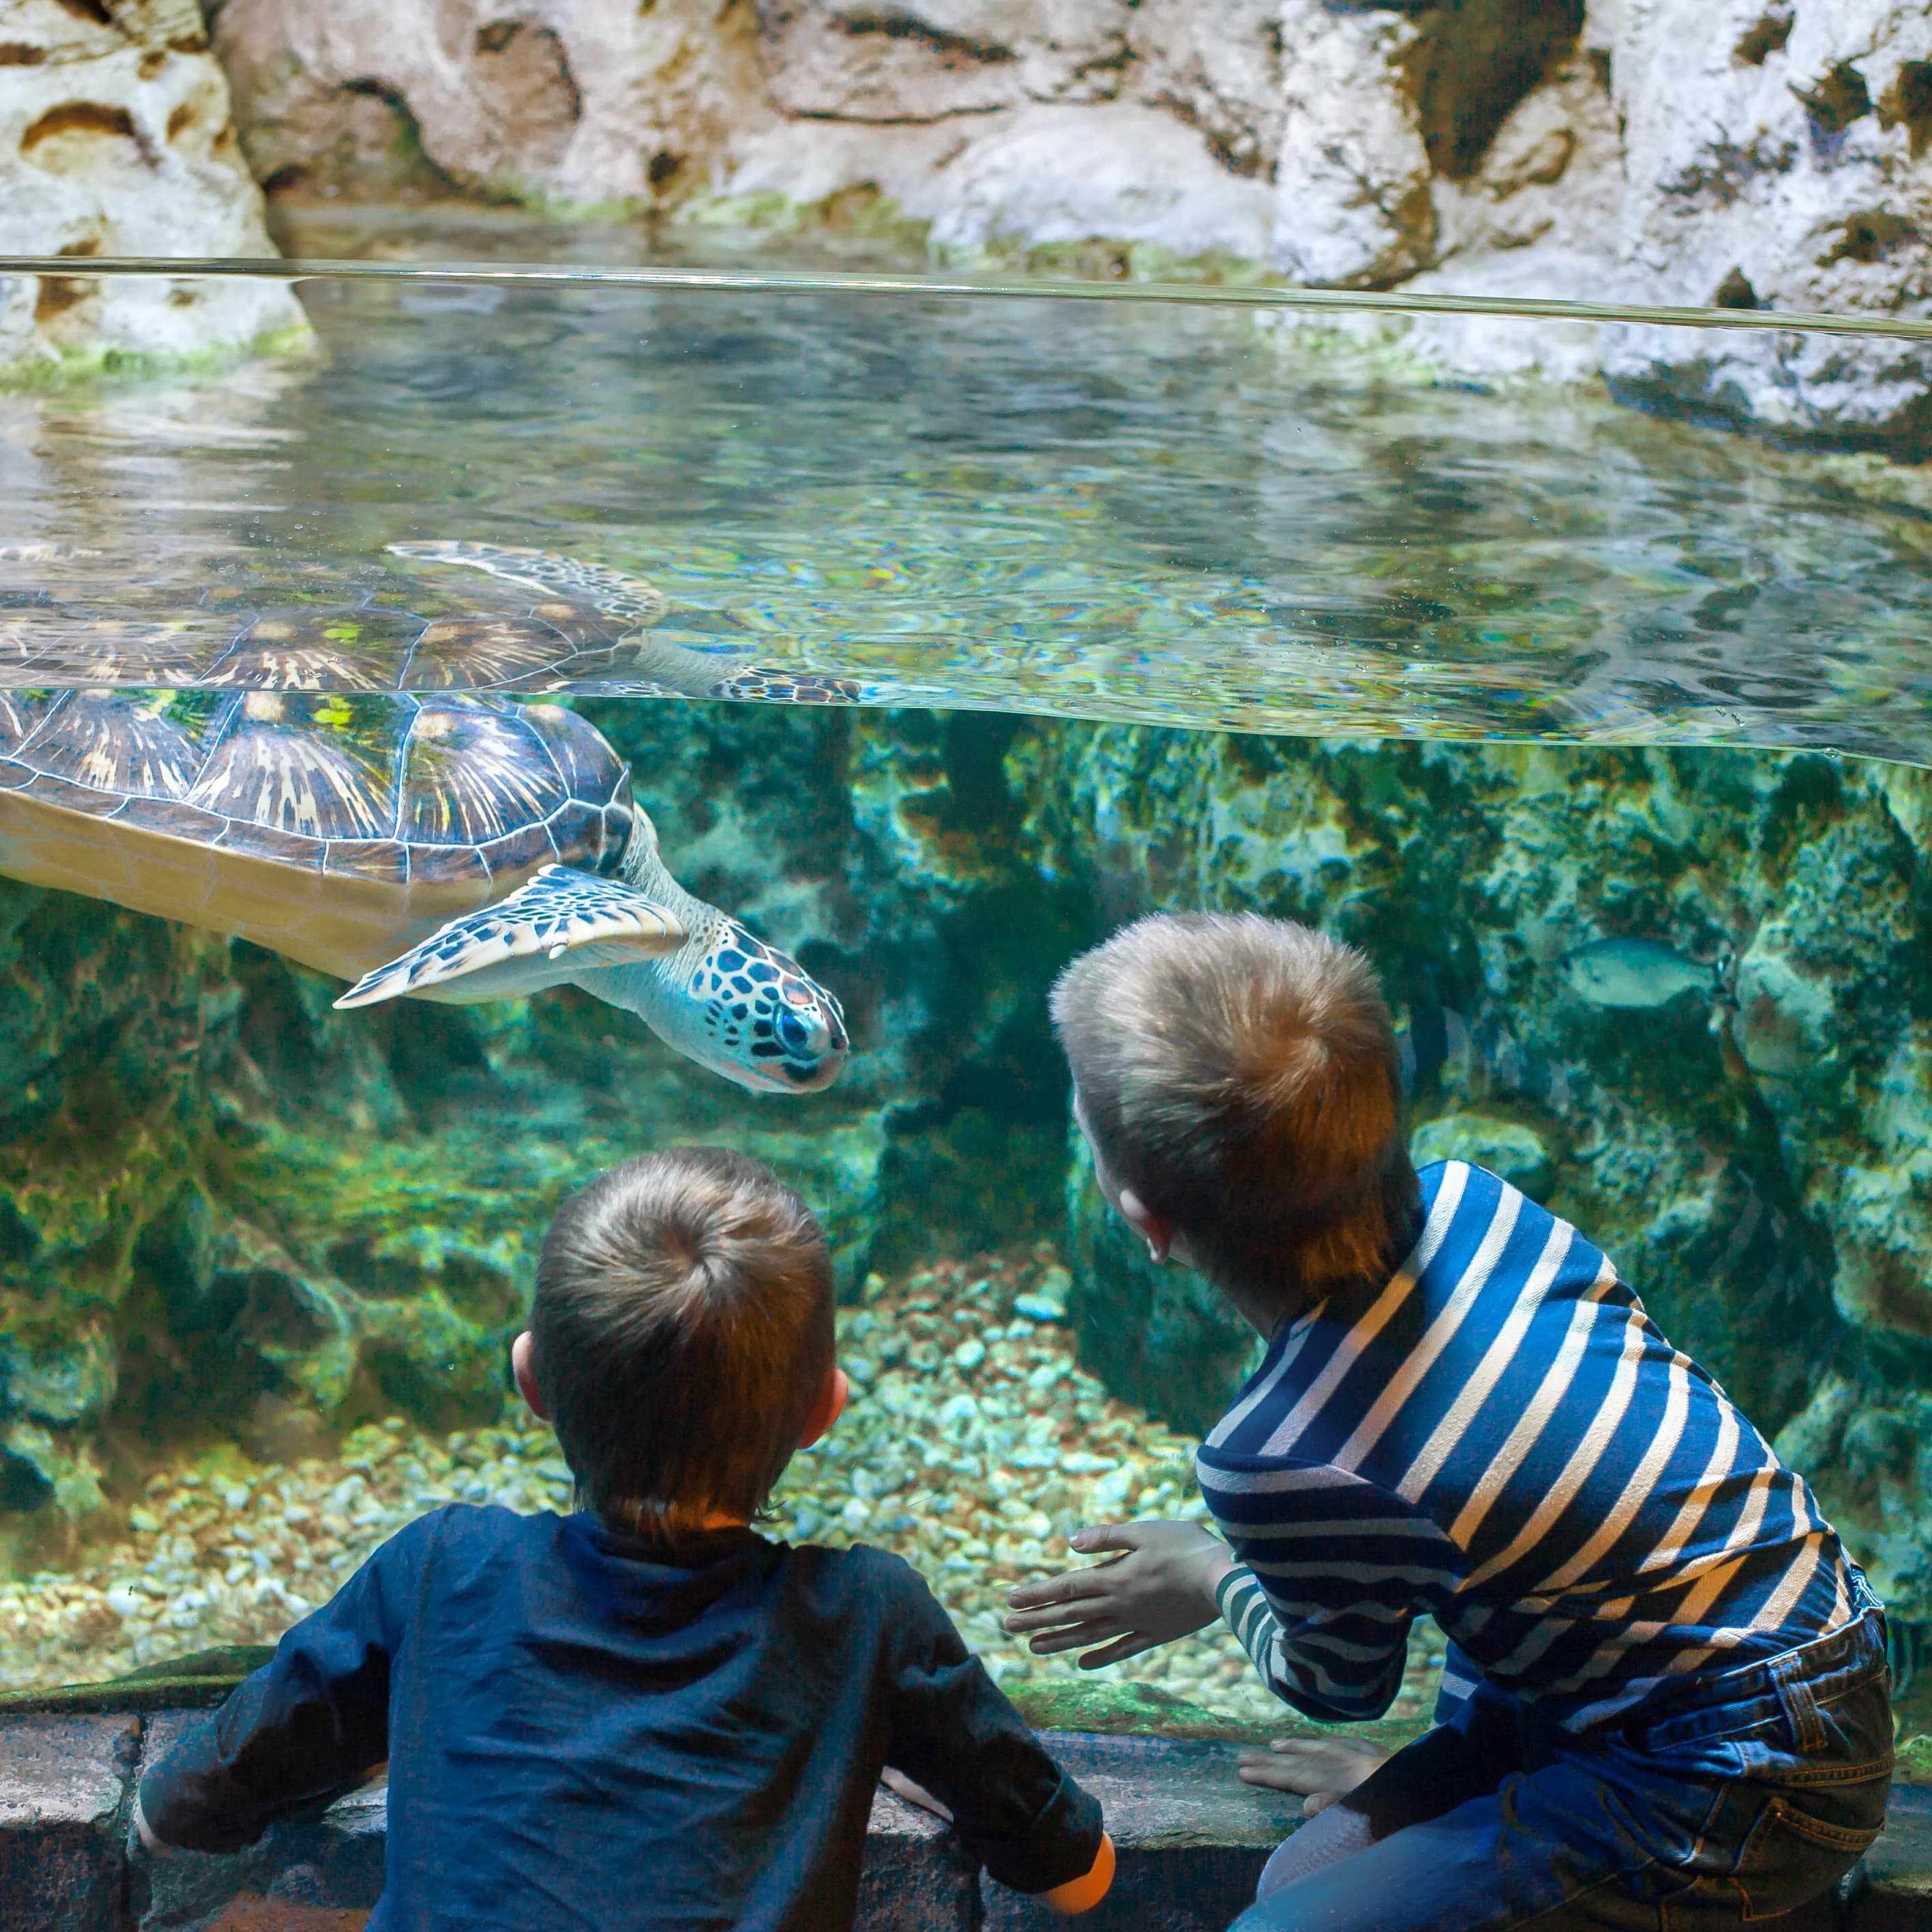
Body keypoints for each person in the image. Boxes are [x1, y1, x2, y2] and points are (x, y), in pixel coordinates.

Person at [1006, 912, 1892, 1931]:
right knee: (1293, 1880)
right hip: (1794, 1647)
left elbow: (1335, 1683)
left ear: (1143, 1219)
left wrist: (1208, 1573)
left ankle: (1771, 1884)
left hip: (1738, 1773)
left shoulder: (1277, 1455)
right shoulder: (1481, 1203)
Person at [138, 1146, 1115, 1931]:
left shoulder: (444, 1569)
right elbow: (1079, 1878)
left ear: (530, 1381)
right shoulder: (867, 1617)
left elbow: (178, 1809)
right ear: (825, 1409)